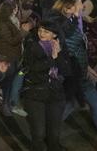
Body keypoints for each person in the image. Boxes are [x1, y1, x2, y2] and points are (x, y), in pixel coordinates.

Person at [52, 0, 97, 150]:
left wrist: (88, 69)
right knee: (71, 105)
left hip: (82, 74)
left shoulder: (73, 25)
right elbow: (69, 52)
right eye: (79, 7)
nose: (82, 9)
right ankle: (50, 137)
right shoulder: (64, 26)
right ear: (67, 9)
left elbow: (79, 51)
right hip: (73, 76)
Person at [21, 20, 71, 151]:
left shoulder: (60, 47)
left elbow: (66, 70)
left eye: (46, 31)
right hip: (35, 93)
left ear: (54, 35)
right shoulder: (32, 46)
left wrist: (58, 55)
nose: (41, 33)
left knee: (54, 133)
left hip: (56, 94)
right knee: (38, 132)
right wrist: (51, 58)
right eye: (40, 30)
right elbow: (32, 68)